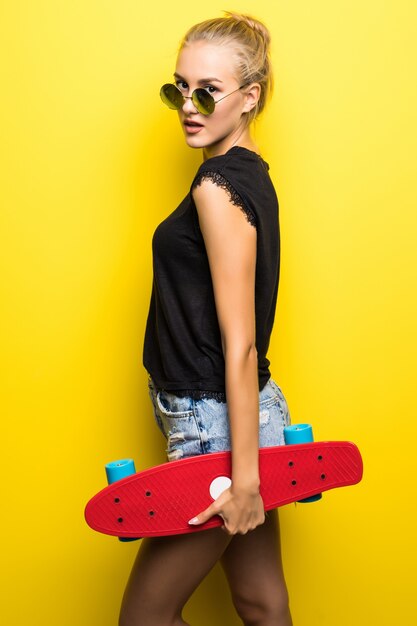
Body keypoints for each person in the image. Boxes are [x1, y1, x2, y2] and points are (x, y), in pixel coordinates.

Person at [119, 11, 293, 626]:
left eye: (207, 92)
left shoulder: (216, 187)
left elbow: (239, 343)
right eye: (178, 88)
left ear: (250, 98)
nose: (188, 106)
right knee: (260, 602)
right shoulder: (251, 175)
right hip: (246, 416)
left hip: (216, 431)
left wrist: (241, 477)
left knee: (144, 617)